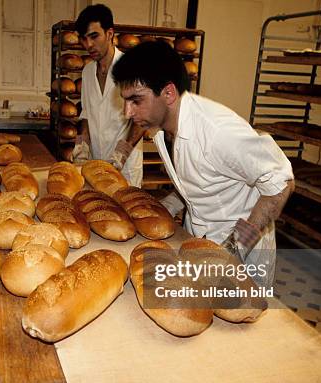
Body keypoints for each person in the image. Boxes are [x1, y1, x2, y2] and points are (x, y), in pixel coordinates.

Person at [112, 41, 295, 286]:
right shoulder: (160, 127)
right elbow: (194, 180)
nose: (127, 112)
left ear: (168, 93)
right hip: (198, 242)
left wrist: (236, 248)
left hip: (242, 257)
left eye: (136, 101)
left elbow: (282, 183)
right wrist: (162, 207)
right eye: (124, 101)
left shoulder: (218, 132)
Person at [72, 4, 144, 187]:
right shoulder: (87, 72)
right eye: (84, 38)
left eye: (94, 36)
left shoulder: (132, 68)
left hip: (125, 168)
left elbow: (142, 117)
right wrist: (81, 147)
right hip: (96, 166)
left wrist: (121, 154)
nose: (88, 45)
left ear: (110, 33)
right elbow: (86, 114)